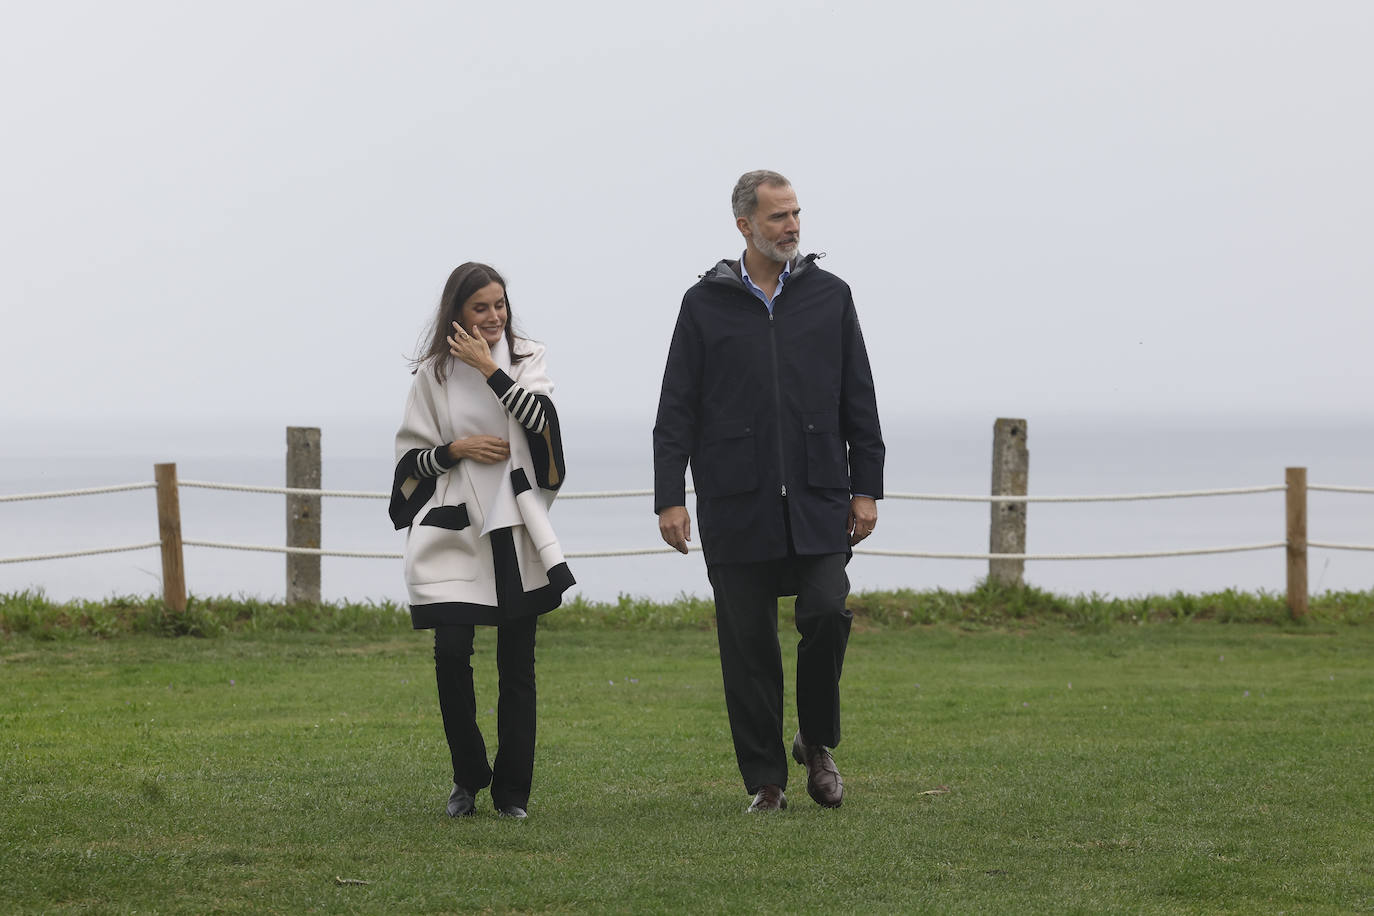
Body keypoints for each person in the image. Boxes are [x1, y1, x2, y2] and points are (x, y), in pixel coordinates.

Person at [653, 170, 885, 813]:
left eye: (796, 214)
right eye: (778, 216)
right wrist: (669, 496)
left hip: (818, 497)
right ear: (745, 225)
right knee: (748, 644)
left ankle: (816, 740)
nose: (792, 226)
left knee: (827, 612)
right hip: (736, 501)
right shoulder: (703, 304)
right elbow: (676, 409)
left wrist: (866, 488)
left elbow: (858, 398)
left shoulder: (831, 296)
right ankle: (767, 783)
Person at [389, 262, 574, 820]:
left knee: (518, 665)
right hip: (454, 530)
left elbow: (540, 421)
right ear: (457, 313)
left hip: (515, 528)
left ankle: (513, 794)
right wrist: (456, 449)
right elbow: (409, 462)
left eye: (500, 305)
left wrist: (491, 369)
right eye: (481, 308)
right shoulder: (433, 375)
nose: (495, 316)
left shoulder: (527, 357)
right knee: (450, 655)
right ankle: (467, 778)